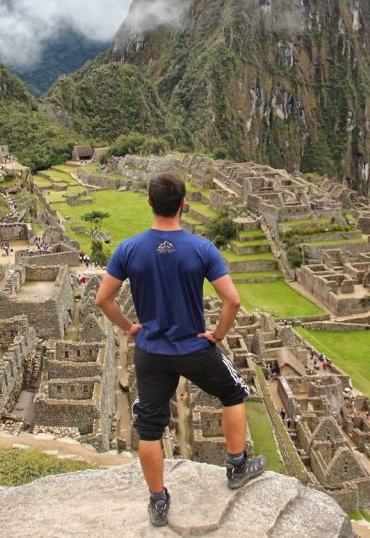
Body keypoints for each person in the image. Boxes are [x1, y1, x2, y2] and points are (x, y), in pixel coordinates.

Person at [96, 172, 265, 528]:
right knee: (233, 393)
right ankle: (236, 466)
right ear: (184, 204)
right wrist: (216, 334)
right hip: (193, 346)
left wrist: (129, 328)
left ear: (149, 203)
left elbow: (103, 299)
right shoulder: (202, 248)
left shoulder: (129, 249)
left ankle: (158, 500)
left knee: (150, 427)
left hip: (151, 351)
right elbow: (232, 300)